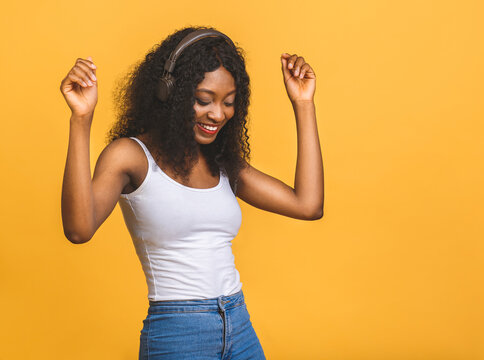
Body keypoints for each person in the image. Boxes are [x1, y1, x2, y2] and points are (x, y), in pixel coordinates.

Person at [60, 26, 323, 360]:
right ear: (170, 93)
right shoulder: (130, 156)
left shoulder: (223, 165)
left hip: (238, 322)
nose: (217, 114)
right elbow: (79, 229)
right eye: (203, 100)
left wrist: (303, 103)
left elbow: (309, 205)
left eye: (228, 103)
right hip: (178, 331)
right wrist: (81, 119)